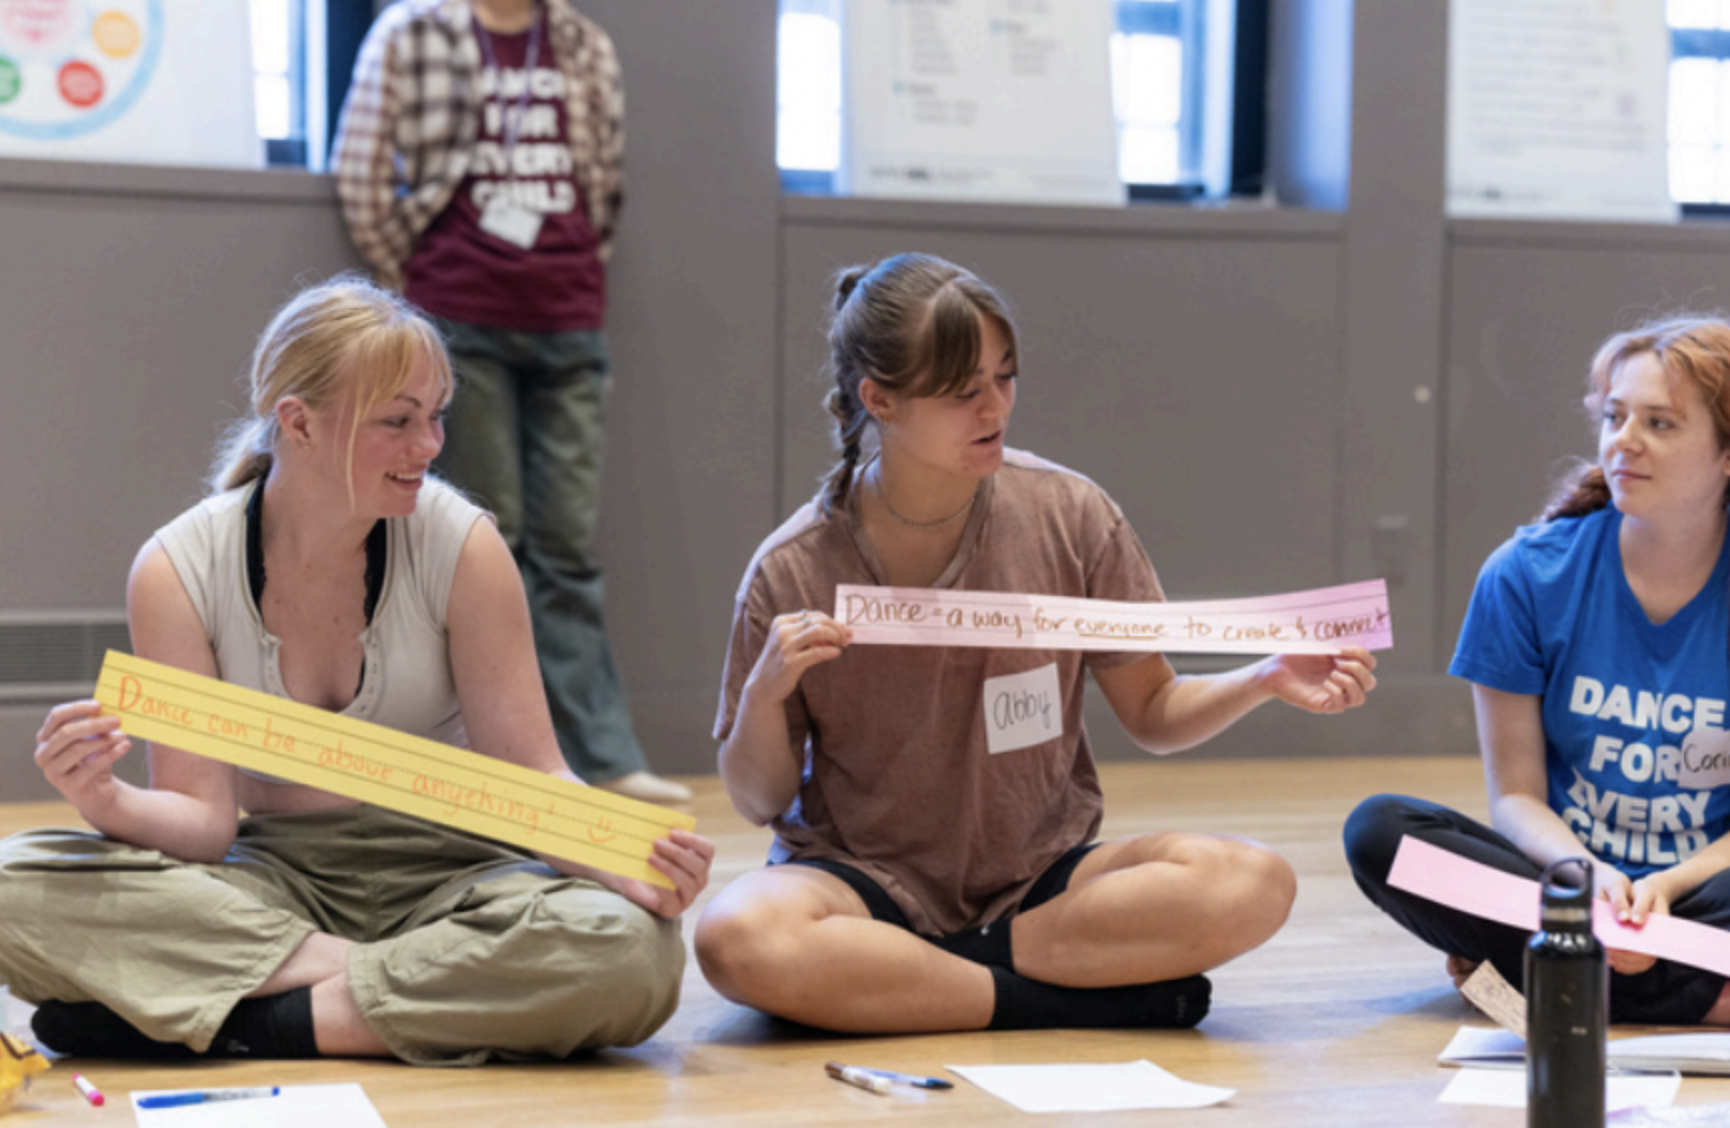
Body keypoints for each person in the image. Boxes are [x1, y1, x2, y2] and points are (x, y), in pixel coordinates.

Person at [0, 277, 712, 1065]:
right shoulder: (177, 568)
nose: (432, 446)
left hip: (456, 878)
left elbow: (533, 781)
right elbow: (202, 827)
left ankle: (253, 1019)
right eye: (399, 422)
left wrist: (626, 861)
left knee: (633, 954)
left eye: (436, 416)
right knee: (13, 889)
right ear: (298, 423)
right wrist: (105, 798)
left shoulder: (464, 545)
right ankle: (392, 994)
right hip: (274, 882)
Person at [692, 253, 1379, 1033]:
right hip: (857, 885)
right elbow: (757, 799)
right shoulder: (794, 565)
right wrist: (764, 692)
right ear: (878, 399)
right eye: (962, 392)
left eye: (1005, 377)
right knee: (737, 939)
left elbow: (1153, 712)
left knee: (1252, 881)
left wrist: (1264, 676)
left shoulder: (1070, 513)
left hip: (1040, 884)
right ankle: (1046, 999)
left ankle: (922, 983)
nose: (995, 408)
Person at [330, 0, 689, 802]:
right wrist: (419, 277)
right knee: (488, 541)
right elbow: (359, 171)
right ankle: (498, 760)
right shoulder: (411, 30)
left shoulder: (581, 42)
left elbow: (606, 188)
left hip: (568, 318)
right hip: (461, 320)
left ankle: (602, 757)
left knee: (566, 547)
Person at [1344, 315, 1730, 1025]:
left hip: (1706, 890)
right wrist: (1588, 882)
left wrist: (1667, 889)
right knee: (1380, 834)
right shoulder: (1525, 575)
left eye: (1661, 424)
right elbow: (1517, 799)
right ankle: (1693, 991)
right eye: (1614, 417)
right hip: (1561, 882)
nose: (1624, 441)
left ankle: (1559, 973)